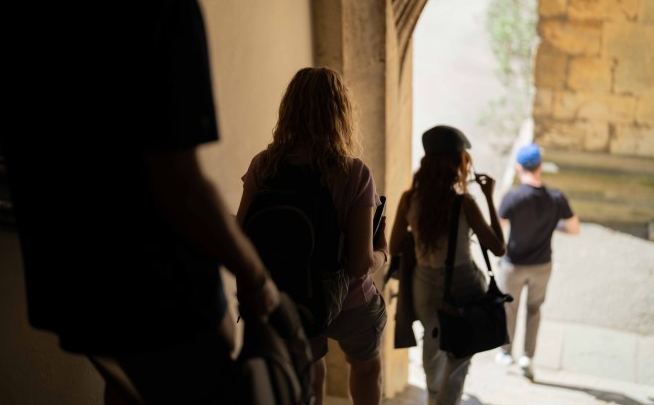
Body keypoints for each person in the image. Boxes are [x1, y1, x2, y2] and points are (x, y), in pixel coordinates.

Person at [0, 0, 280, 403]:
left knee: (123, 386)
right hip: (165, 293)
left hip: (67, 276)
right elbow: (180, 185)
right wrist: (255, 278)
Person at [236, 67, 388, 405]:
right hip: (348, 302)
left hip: (288, 298)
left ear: (289, 108)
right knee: (366, 368)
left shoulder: (264, 164)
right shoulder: (354, 173)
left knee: (309, 371)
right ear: (341, 112)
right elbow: (360, 264)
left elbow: (242, 234)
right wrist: (383, 251)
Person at [389, 125, 506, 405]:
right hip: (463, 285)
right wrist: (490, 197)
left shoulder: (410, 199)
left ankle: (432, 396)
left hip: (424, 284)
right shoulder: (464, 203)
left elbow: (394, 248)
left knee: (432, 348)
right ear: (457, 163)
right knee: (459, 355)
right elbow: (499, 247)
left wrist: (417, 235)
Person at [494, 143, 580, 380]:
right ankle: (527, 358)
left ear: (519, 168)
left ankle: (506, 351)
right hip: (542, 265)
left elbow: (497, 228)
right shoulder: (556, 197)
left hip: (513, 265)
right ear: (541, 166)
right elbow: (573, 228)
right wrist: (554, 225)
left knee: (509, 307)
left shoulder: (512, 197)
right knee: (534, 309)